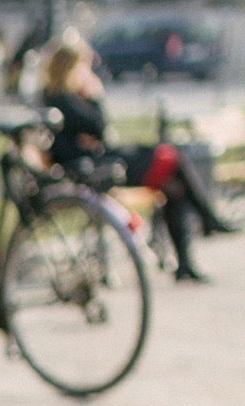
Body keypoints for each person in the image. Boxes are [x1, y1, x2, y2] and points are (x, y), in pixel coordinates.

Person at [41, 33, 233, 283]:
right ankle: (207, 221)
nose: (86, 73)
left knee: (173, 185)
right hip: (95, 169)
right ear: (69, 67)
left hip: (98, 162)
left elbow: (96, 133)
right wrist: (95, 95)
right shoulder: (62, 98)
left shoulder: (61, 97)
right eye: (83, 66)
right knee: (171, 159)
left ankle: (188, 257)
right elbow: (99, 126)